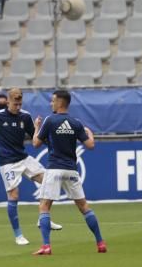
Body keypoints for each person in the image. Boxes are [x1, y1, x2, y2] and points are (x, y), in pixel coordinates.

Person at [0, 87, 63, 246]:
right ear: (8, 101)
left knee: (50, 181)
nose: (18, 107)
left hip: (23, 158)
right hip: (7, 163)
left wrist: (53, 146)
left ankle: (43, 218)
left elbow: (37, 137)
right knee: (14, 195)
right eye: (15, 104)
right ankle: (18, 235)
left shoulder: (25, 116)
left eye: (20, 104)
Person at [31, 89, 106, 256]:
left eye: (53, 101)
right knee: (84, 207)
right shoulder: (75, 123)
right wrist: (91, 135)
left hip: (54, 168)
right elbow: (90, 146)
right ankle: (100, 242)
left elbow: (36, 143)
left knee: (44, 206)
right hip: (71, 170)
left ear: (60, 103)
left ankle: (46, 246)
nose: (51, 103)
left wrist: (36, 128)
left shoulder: (50, 121)